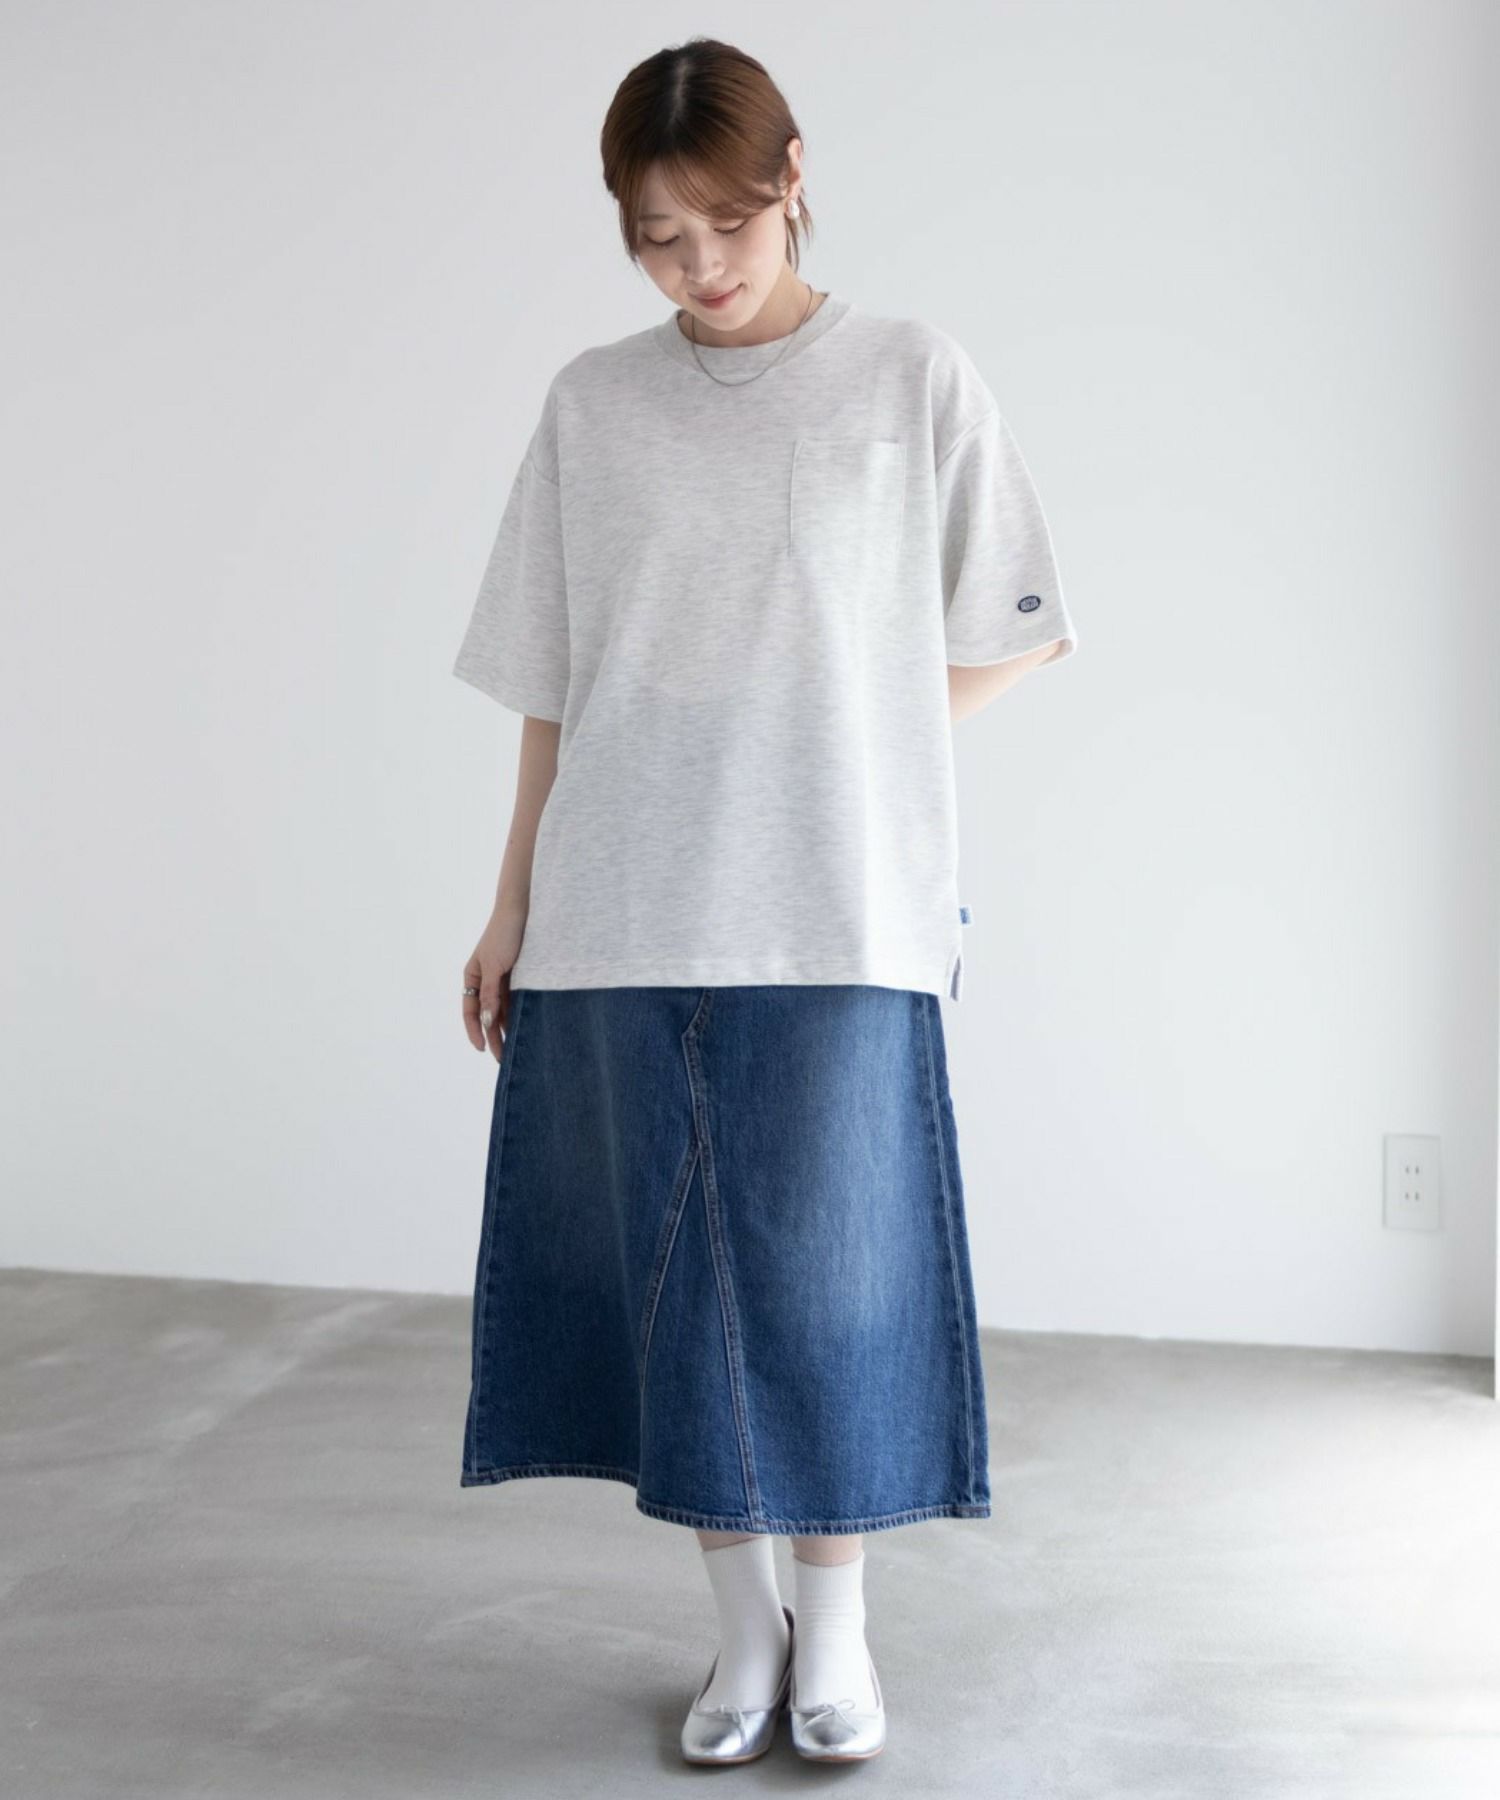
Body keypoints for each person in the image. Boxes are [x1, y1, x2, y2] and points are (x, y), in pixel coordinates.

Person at [451, 36, 1078, 1768]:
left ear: (793, 175)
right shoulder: (594, 405)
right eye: (658, 238)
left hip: (838, 906)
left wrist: (855, 736)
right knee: (668, 1294)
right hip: (620, 906)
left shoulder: (908, 376)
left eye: (724, 222)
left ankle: (838, 1637)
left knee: (830, 1281)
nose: (699, 266)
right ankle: (741, 1641)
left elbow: (1017, 628)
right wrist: (509, 906)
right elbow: (552, 683)